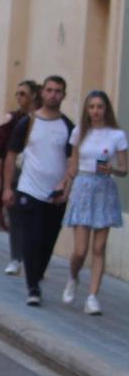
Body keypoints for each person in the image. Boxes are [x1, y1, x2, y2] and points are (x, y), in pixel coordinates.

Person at [3, 75, 74, 306]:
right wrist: (6, 187)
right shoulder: (28, 123)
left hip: (55, 195)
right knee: (31, 238)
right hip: (28, 190)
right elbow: (11, 155)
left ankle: (37, 274)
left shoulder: (68, 127)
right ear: (42, 93)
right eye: (49, 90)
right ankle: (33, 287)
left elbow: (74, 160)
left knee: (47, 242)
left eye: (58, 91)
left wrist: (65, 184)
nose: (53, 94)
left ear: (64, 95)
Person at [62, 90, 127, 315]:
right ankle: (73, 277)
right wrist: (64, 189)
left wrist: (112, 169)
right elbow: (73, 165)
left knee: (99, 248)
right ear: (87, 110)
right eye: (92, 107)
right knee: (80, 250)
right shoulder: (79, 132)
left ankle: (92, 297)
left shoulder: (117, 135)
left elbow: (124, 168)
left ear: (106, 109)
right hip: (83, 187)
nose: (96, 111)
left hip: (104, 189)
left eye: (100, 107)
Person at [0, 80, 39, 276]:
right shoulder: (11, 119)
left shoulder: (43, 120)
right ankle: (15, 258)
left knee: (35, 220)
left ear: (34, 96)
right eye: (17, 94)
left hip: (37, 174)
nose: (19, 98)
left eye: (23, 94)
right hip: (16, 172)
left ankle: (35, 260)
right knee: (16, 217)